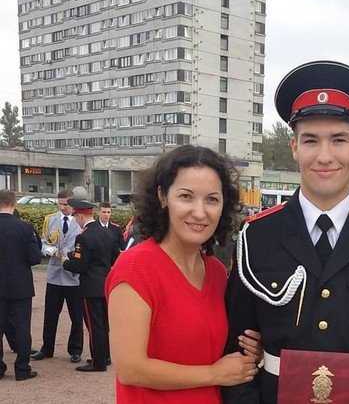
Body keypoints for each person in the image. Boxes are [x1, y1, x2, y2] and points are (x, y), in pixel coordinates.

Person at [222, 60, 349, 404]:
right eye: (311, 141)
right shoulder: (256, 237)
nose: (324, 156)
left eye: (338, 140)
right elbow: (236, 351)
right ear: (294, 147)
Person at [105, 145, 261, 403]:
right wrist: (213, 374)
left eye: (212, 199)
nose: (200, 212)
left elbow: (214, 349)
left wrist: (252, 349)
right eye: (186, 196)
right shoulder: (136, 267)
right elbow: (130, 369)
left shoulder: (216, 272)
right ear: (162, 196)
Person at [63, 198, 118, 372]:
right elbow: (112, 258)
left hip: (90, 286)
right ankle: (105, 356)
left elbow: (80, 266)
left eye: (75, 217)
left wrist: (66, 262)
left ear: (80, 216)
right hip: (105, 283)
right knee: (103, 324)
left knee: (94, 326)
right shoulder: (107, 233)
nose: (76, 221)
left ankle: (98, 362)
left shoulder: (83, 237)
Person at [32, 190, 84, 364]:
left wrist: (69, 255)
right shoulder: (50, 220)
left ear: (73, 204)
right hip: (54, 274)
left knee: (76, 316)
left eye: (66, 204)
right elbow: (43, 242)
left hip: (74, 276)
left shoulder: (80, 221)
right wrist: (49, 250)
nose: (62, 207)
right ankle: (47, 348)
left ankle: (75, 350)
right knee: (50, 315)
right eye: (60, 204)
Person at [0, 189, 42, 381]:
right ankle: (22, 369)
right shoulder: (25, 228)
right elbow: (35, 258)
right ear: (14, 204)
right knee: (22, 328)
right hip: (20, 285)